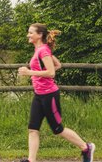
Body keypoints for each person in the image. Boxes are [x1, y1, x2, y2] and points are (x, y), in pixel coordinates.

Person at [17, 23, 95, 162]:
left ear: (39, 35)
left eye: (30, 33)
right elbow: (58, 65)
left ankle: (86, 147)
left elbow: (52, 72)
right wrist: (36, 75)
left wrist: (30, 72)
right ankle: (31, 160)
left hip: (49, 95)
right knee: (33, 128)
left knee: (58, 129)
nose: (28, 35)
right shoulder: (41, 49)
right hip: (39, 95)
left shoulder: (43, 51)